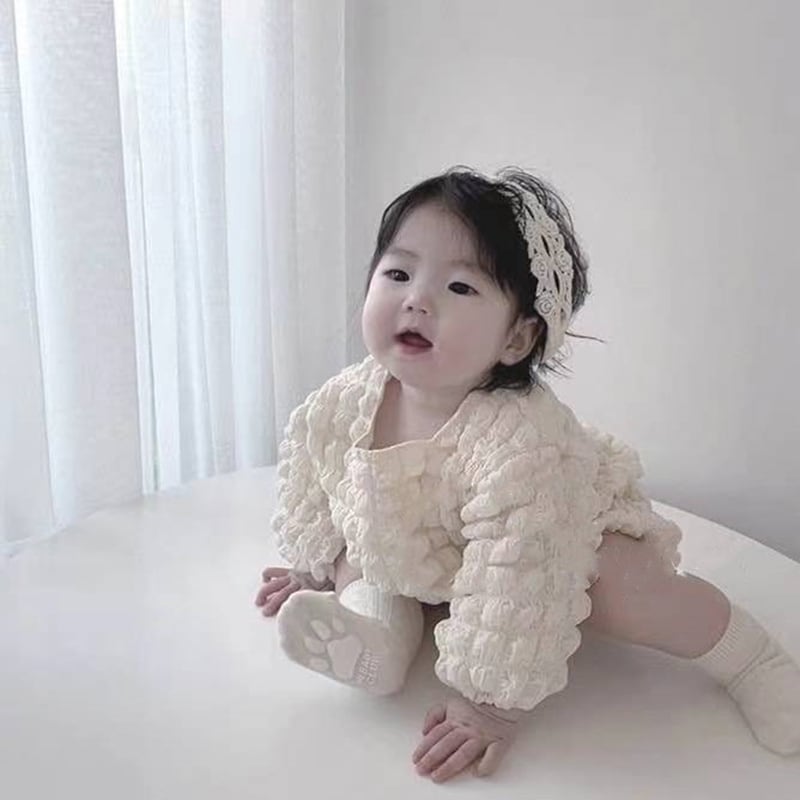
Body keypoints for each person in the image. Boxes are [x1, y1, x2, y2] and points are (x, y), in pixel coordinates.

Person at [254, 166, 800, 782]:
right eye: (399, 274)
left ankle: (749, 657)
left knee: (623, 593)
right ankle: (377, 638)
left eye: (460, 287)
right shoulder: (348, 398)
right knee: (361, 552)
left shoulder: (522, 444)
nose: (417, 300)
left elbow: (522, 571)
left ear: (516, 338)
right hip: (435, 549)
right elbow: (317, 474)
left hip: (558, 534)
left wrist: (489, 705)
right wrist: (313, 561)